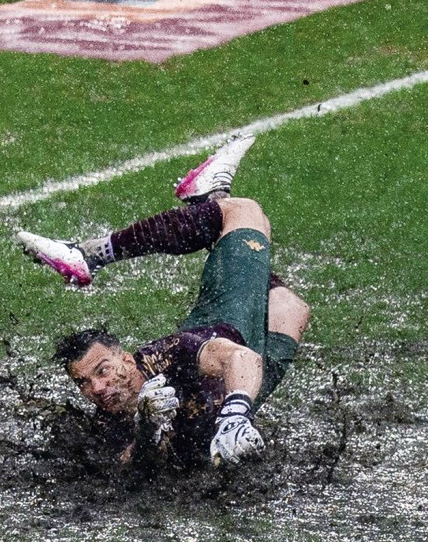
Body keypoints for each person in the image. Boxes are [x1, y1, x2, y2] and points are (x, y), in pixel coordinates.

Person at [17, 135, 310, 468]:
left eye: (102, 370)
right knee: (290, 307)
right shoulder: (104, 424)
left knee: (244, 213)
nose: (97, 388)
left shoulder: (170, 355)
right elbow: (135, 469)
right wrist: (146, 430)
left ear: (126, 359)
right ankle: (210, 200)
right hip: (232, 396)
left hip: (232, 325)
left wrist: (235, 415)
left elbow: (239, 359)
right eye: (83, 383)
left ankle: (88, 255)